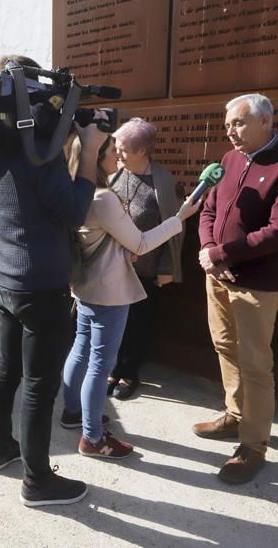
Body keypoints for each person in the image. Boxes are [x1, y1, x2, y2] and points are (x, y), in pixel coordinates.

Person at [0, 54, 97, 507]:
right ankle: (37, 481)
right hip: (41, 288)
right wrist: (86, 154)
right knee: (39, 386)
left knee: (8, 367)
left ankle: (0, 447)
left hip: (6, 281)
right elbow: (73, 211)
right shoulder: (39, 161)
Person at [194, 93, 278, 484]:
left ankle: (253, 444)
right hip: (218, 274)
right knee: (225, 348)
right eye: (228, 124)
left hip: (256, 285)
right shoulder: (229, 160)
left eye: (239, 123)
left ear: (265, 121)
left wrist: (224, 254)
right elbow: (209, 209)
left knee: (256, 365)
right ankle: (235, 415)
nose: (230, 131)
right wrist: (211, 251)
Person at [61, 129, 201, 459]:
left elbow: (98, 239)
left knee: (80, 350)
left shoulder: (75, 192)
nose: (116, 156)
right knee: (99, 363)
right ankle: (93, 439)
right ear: (96, 158)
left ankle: (72, 413)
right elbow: (139, 242)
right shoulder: (103, 196)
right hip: (109, 292)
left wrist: (122, 250)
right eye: (111, 150)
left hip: (85, 286)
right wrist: (179, 218)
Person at [106, 118, 185, 400]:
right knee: (115, 321)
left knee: (138, 323)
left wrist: (166, 267)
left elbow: (175, 228)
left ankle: (130, 372)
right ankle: (113, 369)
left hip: (146, 270)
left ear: (142, 151)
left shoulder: (162, 183)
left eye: (123, 149)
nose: (117, 154)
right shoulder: (115, 174)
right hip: (113, 267)